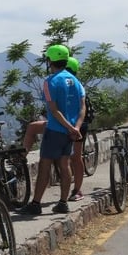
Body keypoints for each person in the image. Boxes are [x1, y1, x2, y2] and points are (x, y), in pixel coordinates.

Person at [18, 45, 85, 215]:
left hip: (55, 130)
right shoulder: (76, 82)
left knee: (45, 166)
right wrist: (75, 127)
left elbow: (54, 110)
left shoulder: (50, 81)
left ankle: (36, 204)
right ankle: (63, 202)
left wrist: (69, 127)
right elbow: (82, 107)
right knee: (64, 164)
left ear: (50, 61)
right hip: (70, 133)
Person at [66, 56, 87, 201]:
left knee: (75, 157)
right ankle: (75, 190)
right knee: (72, 158)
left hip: (77, 125)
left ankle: (78, 190)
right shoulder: (76, 84)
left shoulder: (75, 85)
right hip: (72, 125)